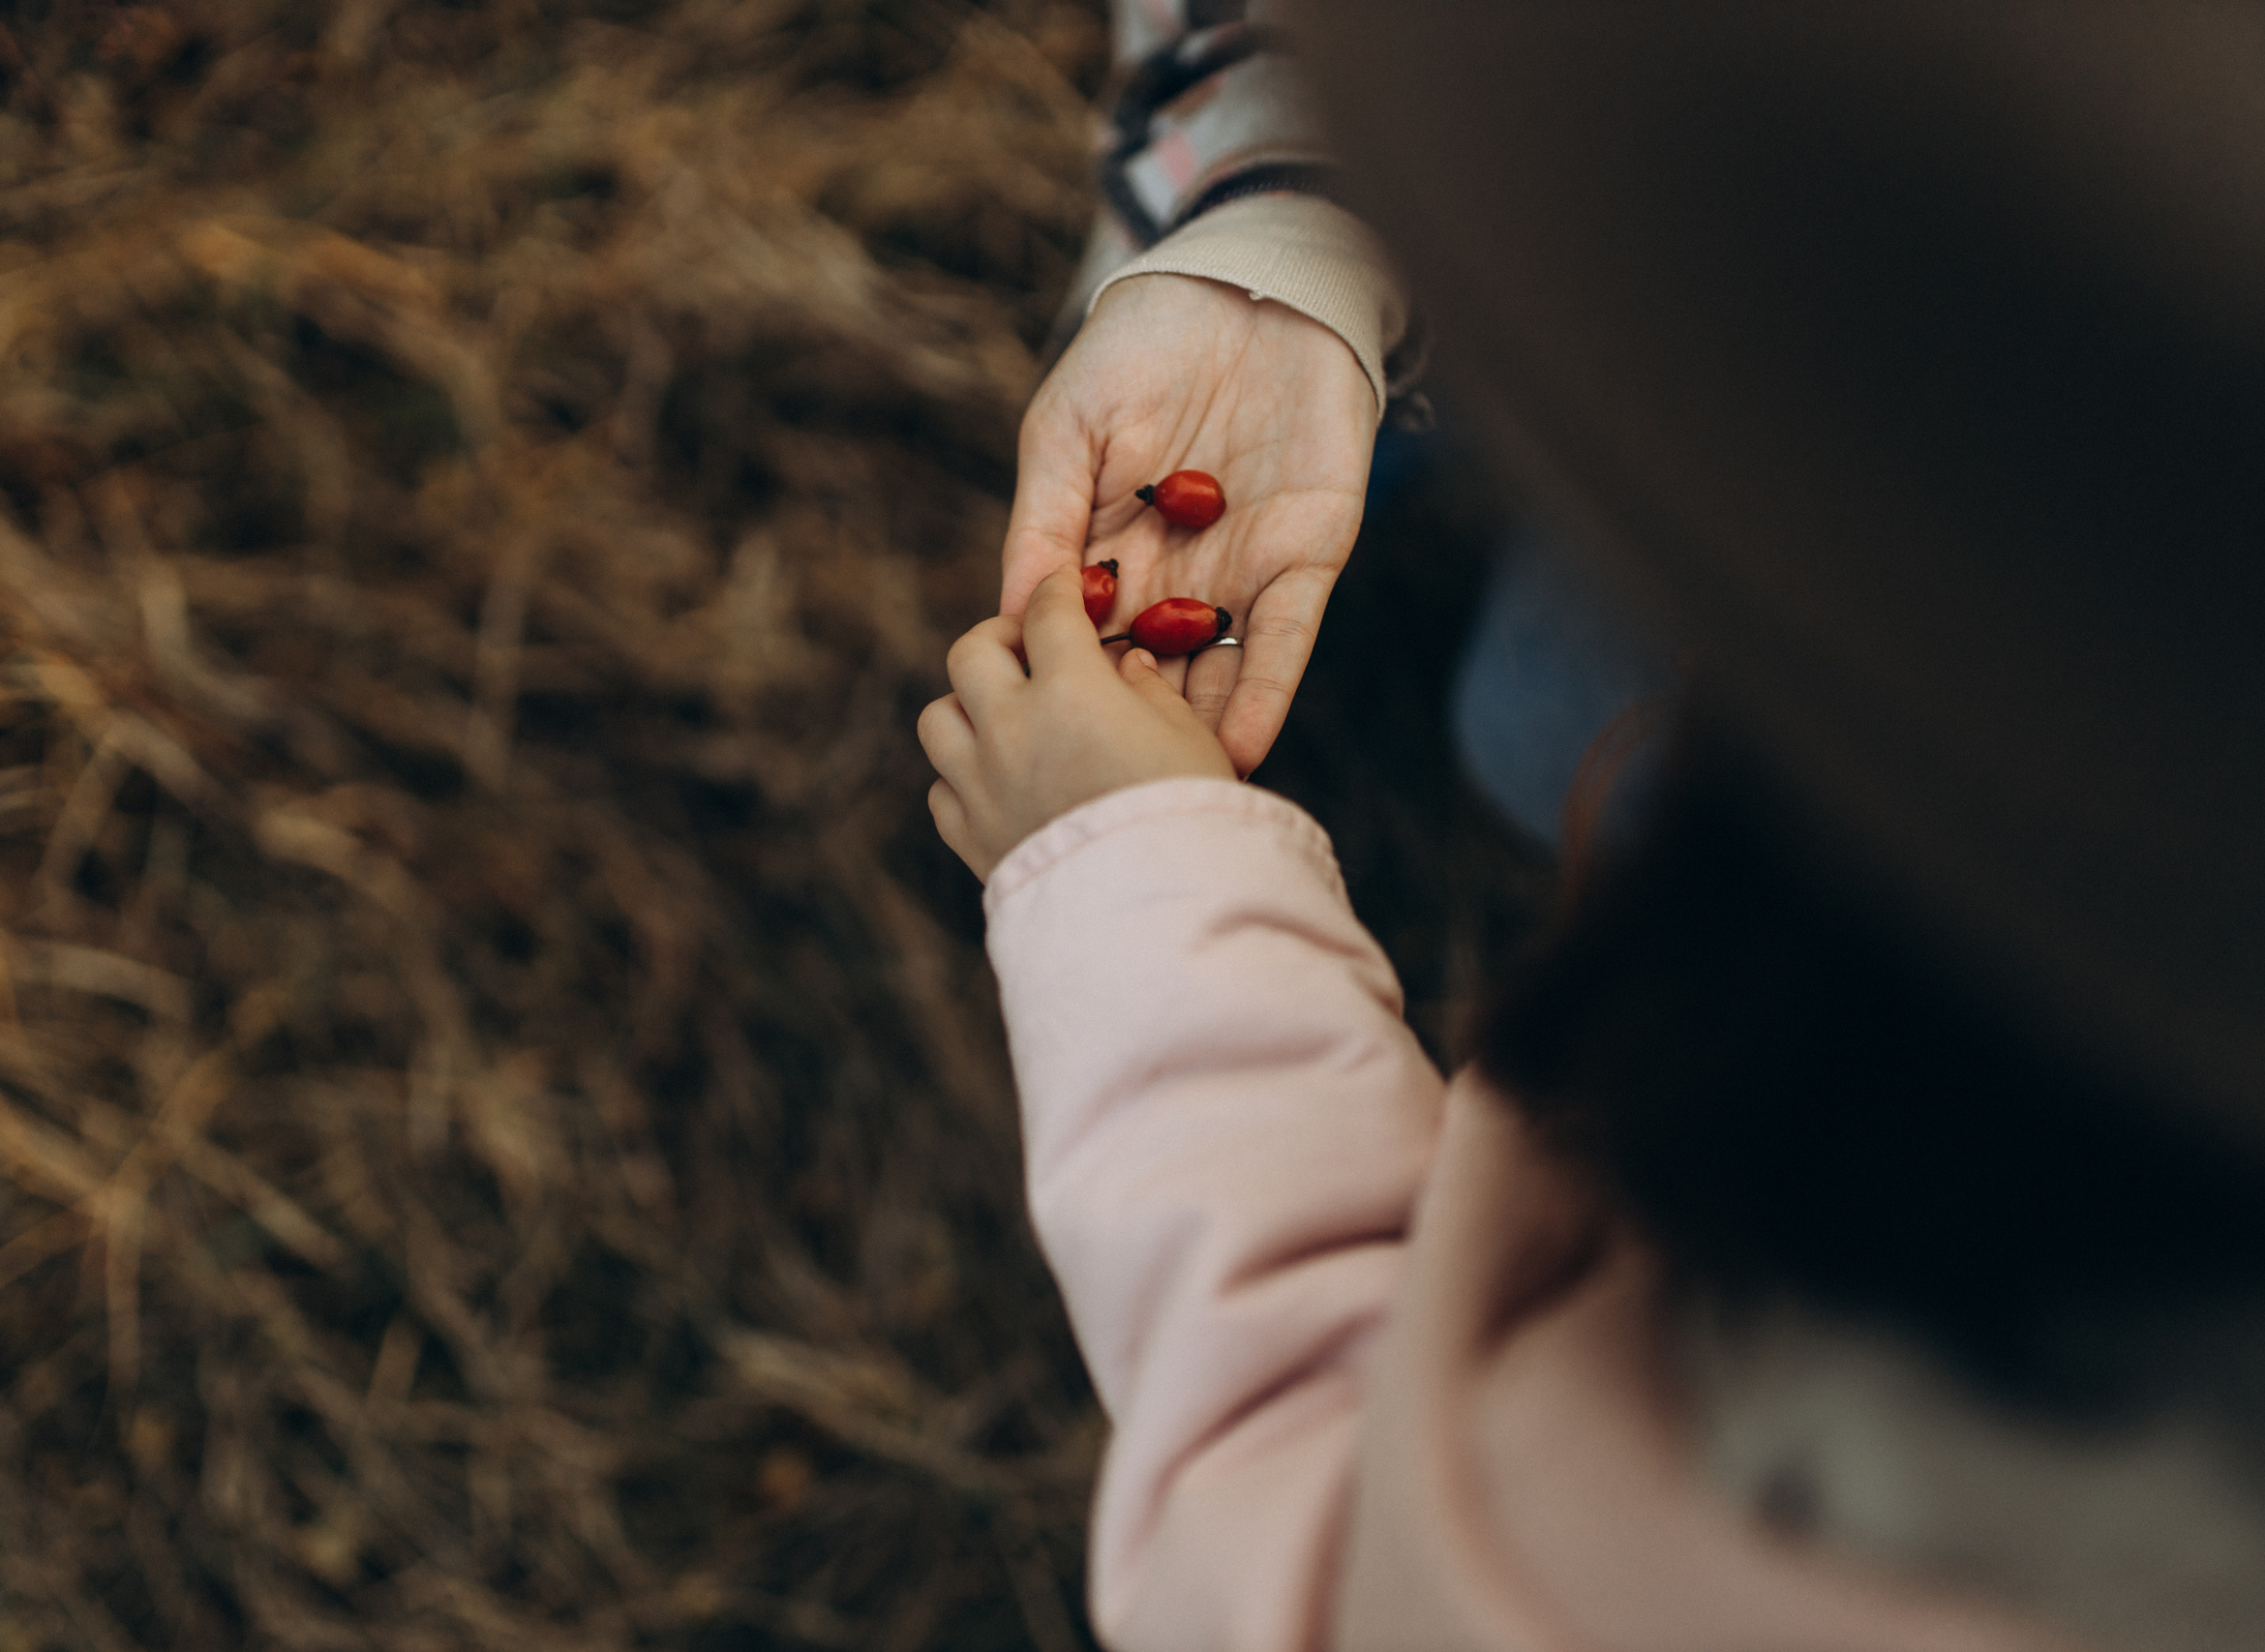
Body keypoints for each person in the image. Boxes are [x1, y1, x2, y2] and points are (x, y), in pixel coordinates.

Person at [923, 5, 2265, 1650]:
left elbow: (1301, 1512)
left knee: (1551, 716)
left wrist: (1134, 886)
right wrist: (1296, 212)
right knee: (1545, 714)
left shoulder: (1794, 1523)